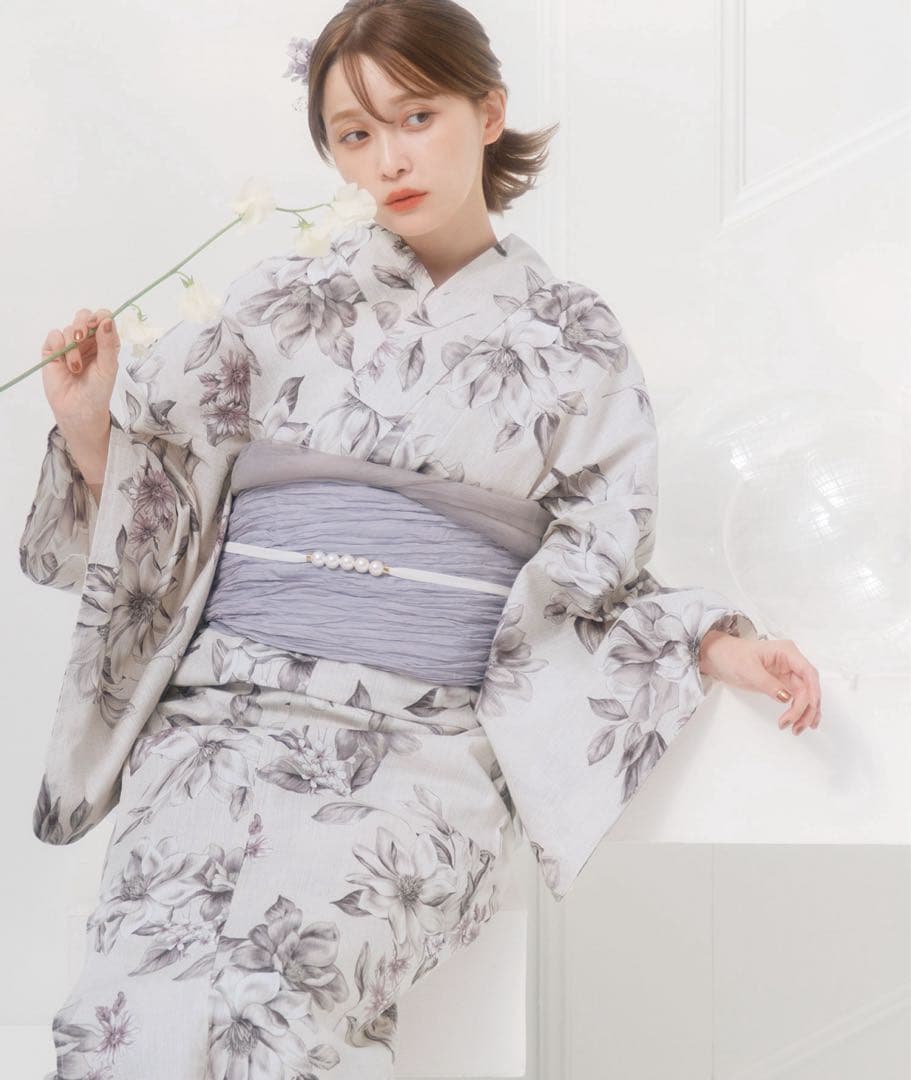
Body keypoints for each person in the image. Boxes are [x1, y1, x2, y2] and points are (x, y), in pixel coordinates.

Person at [24, 1, 822, 1076]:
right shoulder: (279, 302)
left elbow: (595, 568)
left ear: (486, 113)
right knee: (123, 1010)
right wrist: (89, 425)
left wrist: (716, 644)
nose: (388, 158)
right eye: (354, 134)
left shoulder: (574, 339)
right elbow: (159, 510)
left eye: (416, 117)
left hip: (418, 746)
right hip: (217, 717)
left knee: (284, 1004)